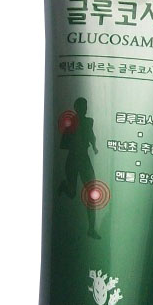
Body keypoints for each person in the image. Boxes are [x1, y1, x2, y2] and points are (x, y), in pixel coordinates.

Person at [58, 97, 100, 239]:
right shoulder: (71, 123)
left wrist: (94, 146)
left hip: (84, 159)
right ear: (77, 108)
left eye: (86, 106)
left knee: (92, 193)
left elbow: (92, 136)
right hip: (73, 159)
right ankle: (65, 186)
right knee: (72, 193)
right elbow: (63, 143)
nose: (85, 109)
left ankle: (91, 229)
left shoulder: (89, 122)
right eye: (82, 106)